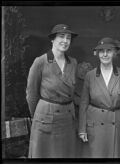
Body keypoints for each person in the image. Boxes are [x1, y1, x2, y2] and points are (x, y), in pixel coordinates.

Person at [26, 24, 78, 158]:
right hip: (45, 119)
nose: (65, 41)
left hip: (67, 119)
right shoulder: (40, 62)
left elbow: (72, 91)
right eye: (61, 37)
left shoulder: (73, 62)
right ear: (52, 40)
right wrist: (38, 116)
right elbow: (31, 95)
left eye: (68, 38)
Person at [78, 37, 120, 158]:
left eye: (109, 50)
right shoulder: (90, 75)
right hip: (96, 126)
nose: (105, 54)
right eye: (102, 51)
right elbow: (84, 103)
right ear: (97, 54)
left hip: (117, 124)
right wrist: (82, 128)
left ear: (114, 53)